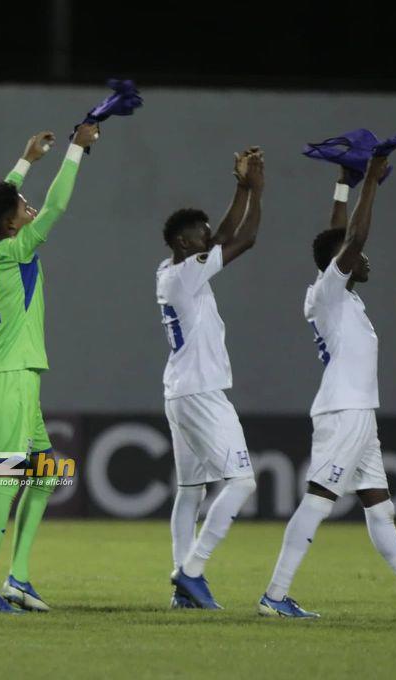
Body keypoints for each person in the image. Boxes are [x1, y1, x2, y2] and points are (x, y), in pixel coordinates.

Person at [258, 157, 396, 618]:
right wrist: (370, 179)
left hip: (358, 412)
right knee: (319, 499)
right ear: (343, 262)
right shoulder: (331, 294)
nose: (366, 258)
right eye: (358, 255)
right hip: (345, 410)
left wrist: (343, 185)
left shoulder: (335, 294)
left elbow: (338, 235)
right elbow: (351, 239)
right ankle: (274, 595)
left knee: (380, 508)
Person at [0, 124, 99, 614]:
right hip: (11, 377)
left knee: (44, 475)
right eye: (23, 207)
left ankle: (17, 578)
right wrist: (74, 150)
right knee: (7, 479)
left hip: (11, 374)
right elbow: (58, 207)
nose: (30, 207)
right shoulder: (19, 247)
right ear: (13, 224)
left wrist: (25, 162)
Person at [158, 149, 263, 610]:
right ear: (184, 243)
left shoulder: (171, 270)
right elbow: (246, 239)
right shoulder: (186, 275)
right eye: (200, 234)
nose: (209, 238)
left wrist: (239, 187)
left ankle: (183, 590)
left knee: (190, 492)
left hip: (180, 391)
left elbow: (222, 236)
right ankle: (192, 571)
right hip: (201, 393)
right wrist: (256, 189)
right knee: (242, 482)